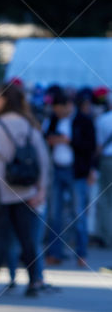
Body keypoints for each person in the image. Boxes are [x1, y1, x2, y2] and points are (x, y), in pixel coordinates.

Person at [0, 80, 50, 297]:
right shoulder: (30, 124)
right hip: (27, 193)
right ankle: (34, 282)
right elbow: (43, 160)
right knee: (28, 240)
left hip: (2, 194)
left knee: (0, 241)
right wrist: (41, 190)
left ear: (4, 99)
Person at [43, 86, 77, 266]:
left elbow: (85, 144)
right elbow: (47, 138)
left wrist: (68, 141)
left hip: (75, 171)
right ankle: (55, 251)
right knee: (55, 213)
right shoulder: (53, 120)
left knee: (76, 212)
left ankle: (80, 252)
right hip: (56, 169)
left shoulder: (79, 120)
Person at [71, 88, 97, 268]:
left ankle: (82, 253)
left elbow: (91, 147)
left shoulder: (85, 122)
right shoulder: (72, 120)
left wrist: (91, 169)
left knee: (80, 213)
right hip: (71, 171)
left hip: (80, 172)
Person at [96, 93, 112, 248]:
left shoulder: (103, 120)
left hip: (107, 160)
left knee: (107, 199)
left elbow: (99, 145)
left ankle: (108, 237)